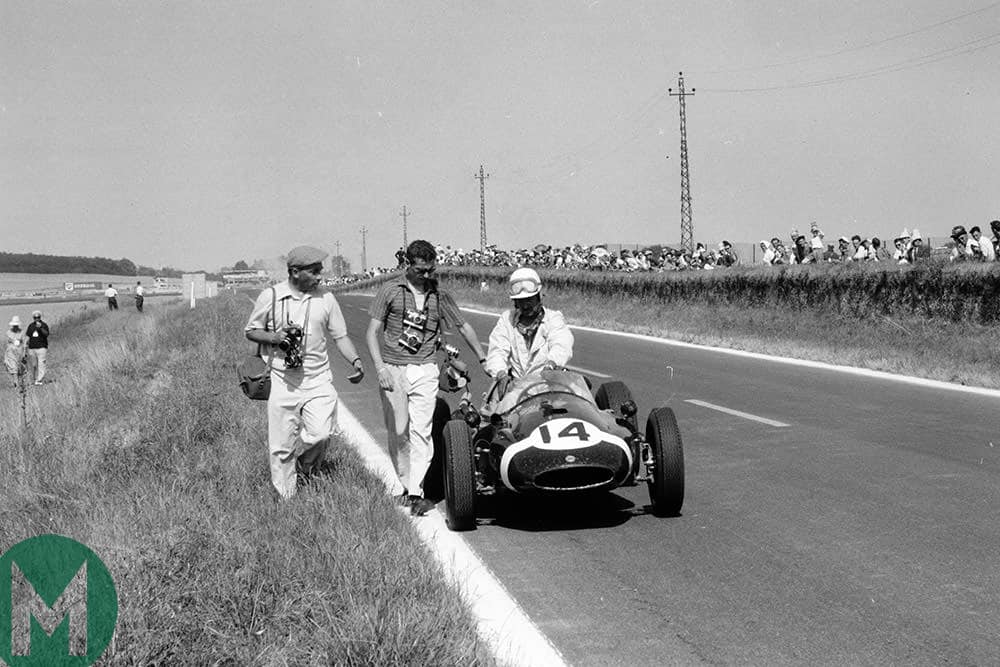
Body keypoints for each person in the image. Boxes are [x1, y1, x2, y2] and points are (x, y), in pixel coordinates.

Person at [366, 239, 487, 516]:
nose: (426, 276)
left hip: (426, 368)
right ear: (407, 265)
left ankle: (417, 492)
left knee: (421, 431)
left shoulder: (439, 295)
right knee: (399, 432)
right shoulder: (390, 291)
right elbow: (371, 333)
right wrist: (380, 369)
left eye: (430, 270)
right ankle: (405, 483)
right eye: (420, 270)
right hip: (394, 367)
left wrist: (481, 357)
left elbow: (463, 325)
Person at [245, 245, 366, 500]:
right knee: (281, 445)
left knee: (321, 434)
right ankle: (286, 497)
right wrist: (276, 337)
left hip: (318, 378)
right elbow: (251, 330)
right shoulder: (272, 297)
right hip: (281, 377)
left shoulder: (326, 299)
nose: (320, 276)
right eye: (314, 271)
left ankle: (305, 469)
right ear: (295, 272)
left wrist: (355, 360)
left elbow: (340, 336)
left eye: (320, 271)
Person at [484, 266, 574, 401]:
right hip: (516, 389)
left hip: (548, 386)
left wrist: (551, 365)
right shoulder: (506, 319)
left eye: (529, 300)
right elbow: (497, 351)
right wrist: (501, 373)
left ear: (539, 296)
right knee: (493, 416)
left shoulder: (553, 318)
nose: (525, 305)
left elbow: (561, 344)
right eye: (520, 301)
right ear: (515, 302)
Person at [25, 310, 49, 386]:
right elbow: (28, 336)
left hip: (42, 347)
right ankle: (34, 379)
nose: (37, 319)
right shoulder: (31, 326)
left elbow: (46, 334)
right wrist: (25, 344)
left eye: (38, 317)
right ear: (33, 318)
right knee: (34, 365)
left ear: (40, 317)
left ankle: (40, 379)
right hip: (32, 348)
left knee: (41, 363)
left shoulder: (44, 325)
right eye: (35, 317)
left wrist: (40, 328)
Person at [5, 316, 28, 388]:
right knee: (13, 368)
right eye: (14, 325)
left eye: (16, 325)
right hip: (11, 352)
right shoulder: (8, 333)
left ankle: (20, 382)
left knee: (20, 368)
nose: (15, 327)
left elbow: (24, 344)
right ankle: (16, 384)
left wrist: (24, 353)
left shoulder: (22, 332)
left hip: (19, 352)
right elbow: (8, 343)